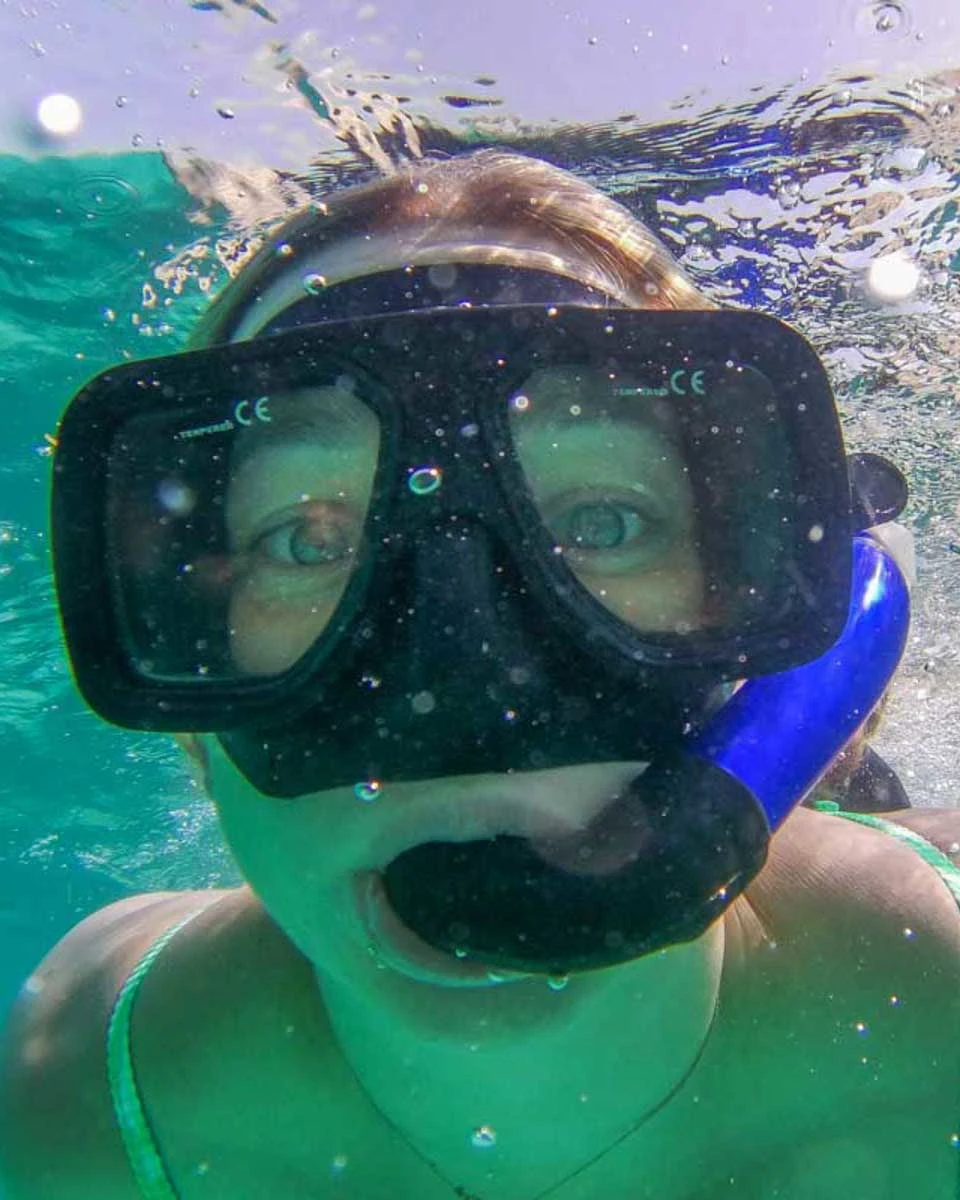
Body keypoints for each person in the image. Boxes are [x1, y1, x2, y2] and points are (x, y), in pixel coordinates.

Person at [3, 150, 960, 1200]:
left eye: (603, 523)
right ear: (190, 691)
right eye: (303, 541)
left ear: (744, 620)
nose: (459, 687)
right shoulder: (79, 1091)